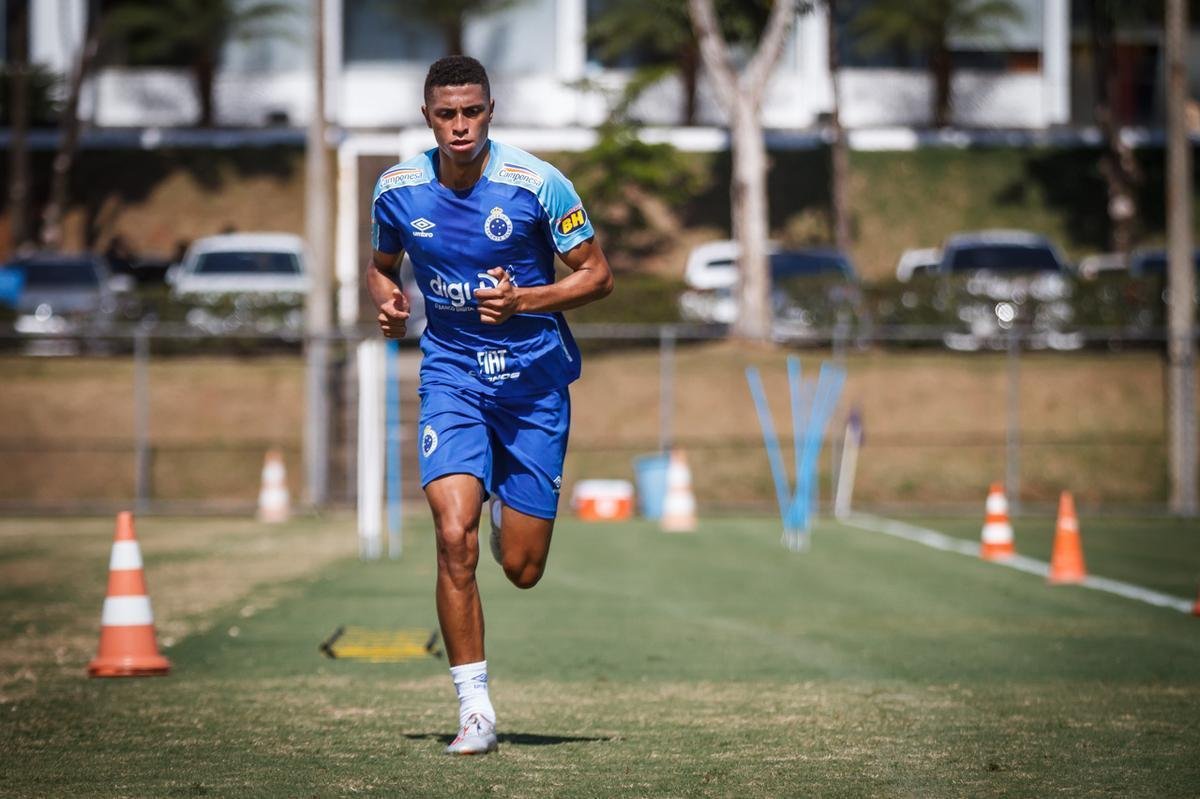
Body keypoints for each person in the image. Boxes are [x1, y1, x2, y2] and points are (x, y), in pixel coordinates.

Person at [365, 55, 613, 755]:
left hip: (533, 386)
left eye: (471, 111)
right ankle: (475, 710)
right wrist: (388, 301)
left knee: (523, 569)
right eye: (447, 114)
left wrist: (524, 300)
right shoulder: (396, 191)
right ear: (427, 117)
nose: (460, 126)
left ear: (490, 112)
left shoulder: (538, 184)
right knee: (454, 538)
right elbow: (381, 269)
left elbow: (598, 275)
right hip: (452, 378)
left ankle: (509, 504)